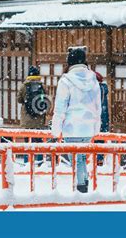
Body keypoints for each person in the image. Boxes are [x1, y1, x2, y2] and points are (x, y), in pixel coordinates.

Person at [51, 47, 102, 193]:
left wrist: (56, 130)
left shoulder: (65, 80)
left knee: (76, 158)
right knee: (81, 156)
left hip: (71, 126)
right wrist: (96, 127)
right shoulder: (93, 79)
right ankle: (84, 180)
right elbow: (98, 105)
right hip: (88, 125)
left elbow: (60, 108)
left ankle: (81, 185)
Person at [17, 66, 50, 163]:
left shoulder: (24, 86)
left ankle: (27, 162)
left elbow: (19, 100)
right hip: (39, 118)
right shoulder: (42, 86)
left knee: (28, 143)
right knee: (38, 142)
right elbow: (46, 100)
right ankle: (39, 162)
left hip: (27, 120)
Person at [95, 71, 109, 165]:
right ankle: (99, 159)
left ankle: (97, 159)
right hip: (103, 117)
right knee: (100, 139)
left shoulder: (97, 89)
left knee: (96, 139)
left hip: (97, 117)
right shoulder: (103, 89)